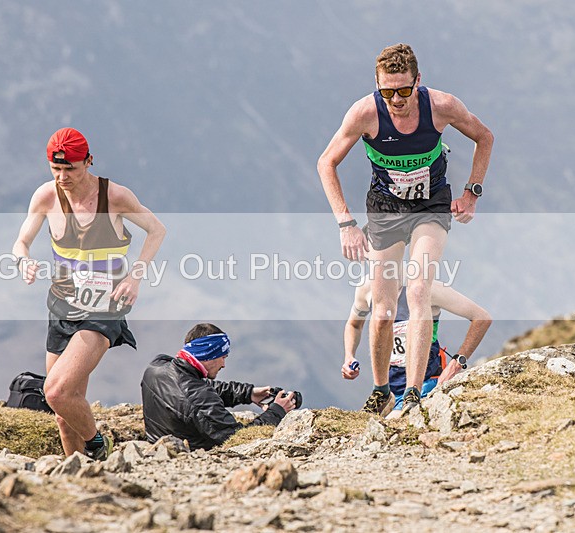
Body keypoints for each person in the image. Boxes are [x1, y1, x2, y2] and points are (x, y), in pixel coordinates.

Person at [317, 43, 494, 415]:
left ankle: (413, 392)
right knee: (381, 311)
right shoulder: (365, 113)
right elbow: (326, 163)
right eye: (387, 91)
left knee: (417, 290)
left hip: (431, 205)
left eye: (404, 90)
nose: (396, 99)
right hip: (385, 209)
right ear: (377, 87)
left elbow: (484, 137)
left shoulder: (441, 106)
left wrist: (471, 192)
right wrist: (346, 224)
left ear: (418, 81)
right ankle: (382, 390)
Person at [12, 127, 166, 459]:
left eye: (71, 169)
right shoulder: (45, 196)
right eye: (56, 169)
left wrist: (135, 277)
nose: (63, 177)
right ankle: (79, 477)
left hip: (103, 309)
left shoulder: (115, 196)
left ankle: (99, 445)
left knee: (54, 392)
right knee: (64, 412)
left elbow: (156, 230)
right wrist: (22, 260)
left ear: (89, 161)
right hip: (61, 306)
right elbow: (21, 240)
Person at [342, 277, 491, 417]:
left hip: (426, 383)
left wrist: (456, 364)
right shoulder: (367, 288)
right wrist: (349, 355)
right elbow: (354, 325)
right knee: (360, 432)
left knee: (390, 431)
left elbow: (482, 318)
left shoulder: (427, 287)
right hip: (390, 389)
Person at [141, 323, 297, 450]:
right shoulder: (196, 396)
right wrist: (277, 411)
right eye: (223, 357)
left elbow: (198, 388)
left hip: (157, 447)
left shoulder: (157, 368)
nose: (224, 364)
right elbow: (237, 437)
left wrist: (248, 393)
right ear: (208, 354)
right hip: (190, 458)